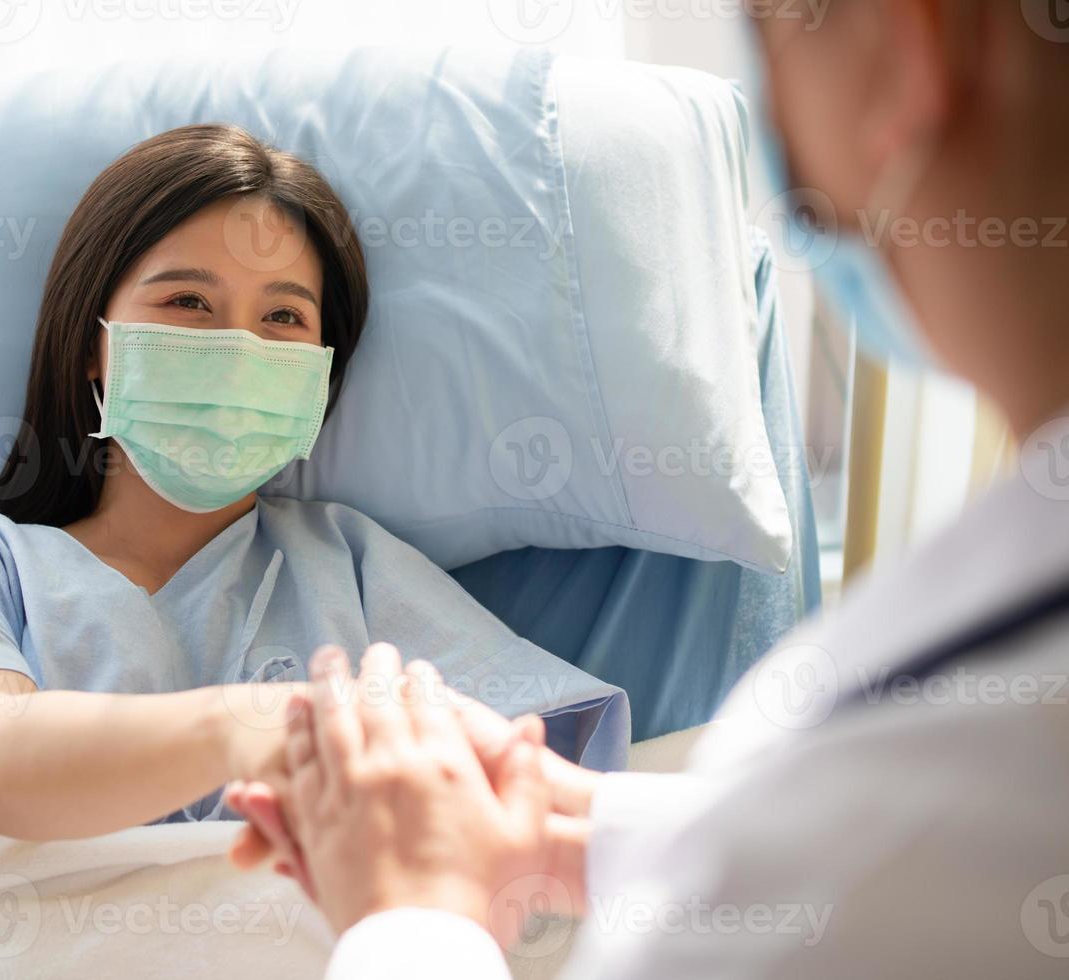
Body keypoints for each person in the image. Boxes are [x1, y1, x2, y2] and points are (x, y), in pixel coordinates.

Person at [226, 1, 1069, 975]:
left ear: (905, 47)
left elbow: (837, 852)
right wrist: (572, 828)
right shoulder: (1, 548)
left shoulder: (341, 553)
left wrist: (412, 909)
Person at [0, 124, 620, 866]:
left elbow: (530, 783)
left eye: (284, 318)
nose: (238, 350)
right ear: (92, 345)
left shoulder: (351, 566)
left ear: (322, 373)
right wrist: (267, 726)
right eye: (188, 301)